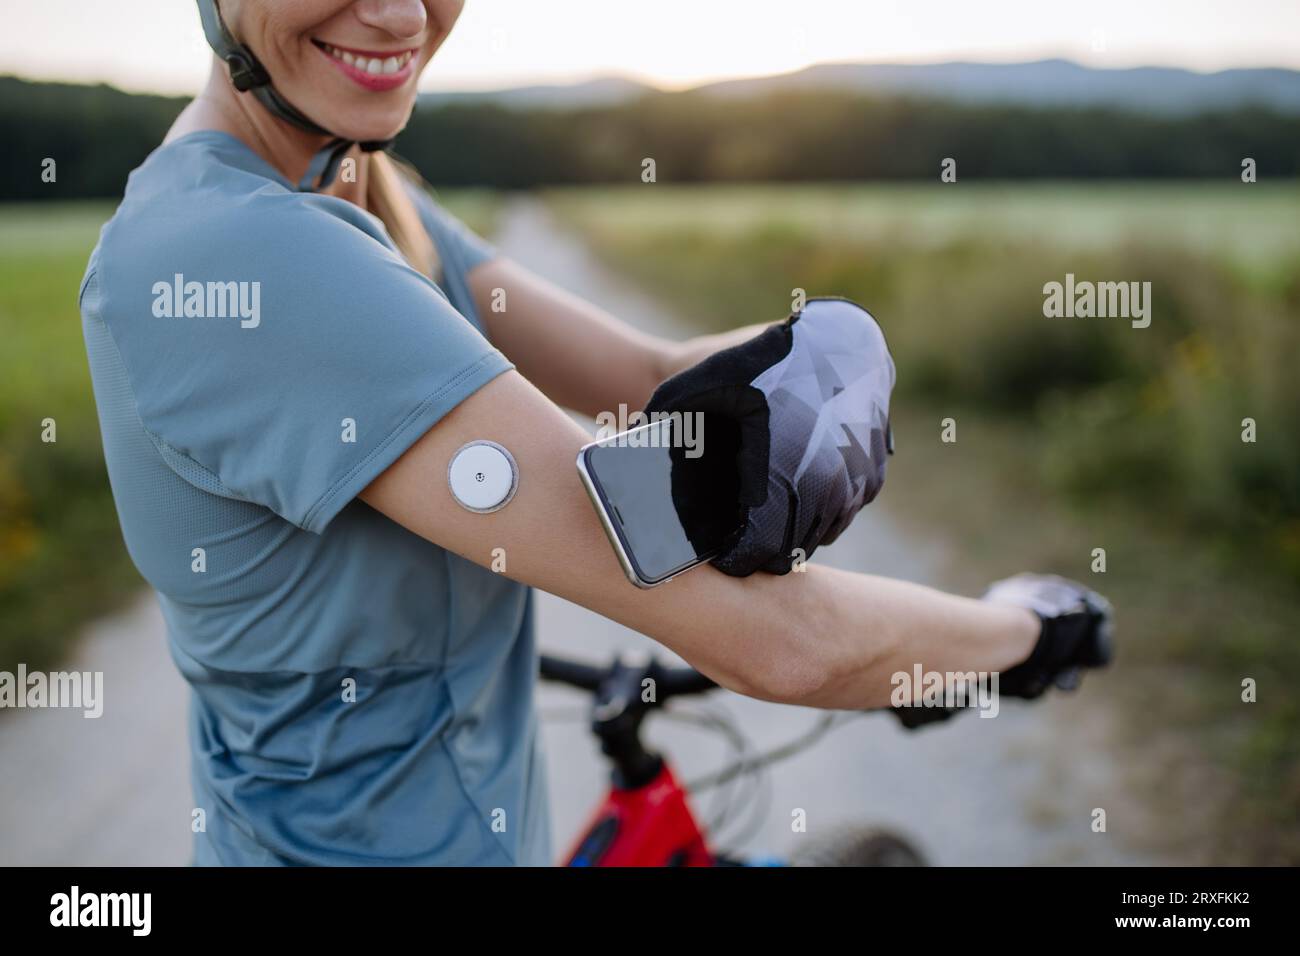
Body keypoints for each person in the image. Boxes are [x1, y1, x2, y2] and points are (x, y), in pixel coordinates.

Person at [79, 0, 1111, 866]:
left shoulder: (344, 185)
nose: (398, 14)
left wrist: (833, 348)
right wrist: (1023, 630)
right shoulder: (248, 257)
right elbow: (777, 642)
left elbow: (643, 376)